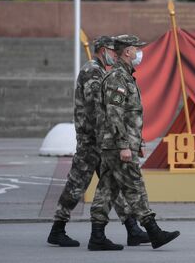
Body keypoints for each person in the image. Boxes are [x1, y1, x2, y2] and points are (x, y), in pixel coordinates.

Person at [47, 36, 149, 249]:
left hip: (102, 139)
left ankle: (132, 229)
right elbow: (97, 109)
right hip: (92, 141)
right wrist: (113, 139)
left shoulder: (101, 71)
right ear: (103, 50)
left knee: (112, 184)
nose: (116, 54)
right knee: (77, 184)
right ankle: (57, 229)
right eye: (113, 50)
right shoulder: (92, 71)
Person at [89, 34, 180, 251]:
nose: (140, 53)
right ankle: (153, 231)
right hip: (116, 145)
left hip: (119, 143)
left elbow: (131, 116)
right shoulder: (117, 78)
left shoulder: (126, 77)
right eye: (136, 49)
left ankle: (97, 236)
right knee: (135, 186)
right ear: (127, 51)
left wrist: (138, 142)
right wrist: (123, 145)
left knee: (107, 190)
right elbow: (114, 113)